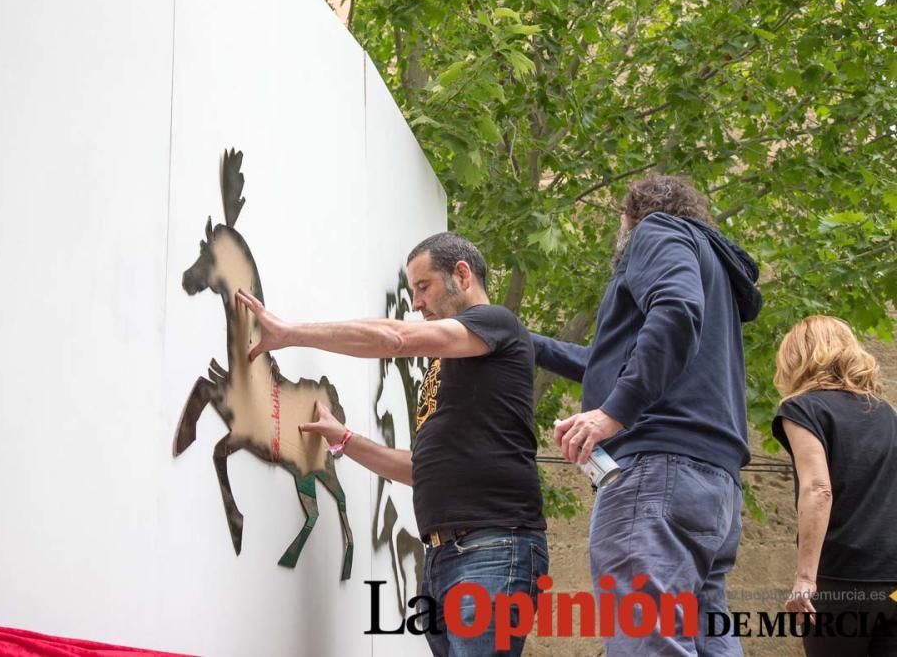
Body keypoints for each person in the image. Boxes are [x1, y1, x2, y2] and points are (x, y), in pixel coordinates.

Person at [236, 232, 547, 657]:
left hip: (492, 547)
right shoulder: (453, 368)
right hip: (442, 558)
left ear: (462, 274)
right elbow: (421, 471)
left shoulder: (497, 322)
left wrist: (289, 333)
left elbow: (393, 339)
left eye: (424, 287)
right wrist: (346, 441)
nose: (416, 303)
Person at [531, 175, 762, 656]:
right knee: (706, 639)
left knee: (649, 642)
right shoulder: (711, 265)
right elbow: (613, 359)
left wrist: (613, 414)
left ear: (630, 216)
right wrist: (523, 342)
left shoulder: (656, 232)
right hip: (713, 488)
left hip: (657, 474)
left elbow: (675, 313)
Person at [772, 315, 897, 657]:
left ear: (796, 357)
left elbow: (818, 490)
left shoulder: (801, 408)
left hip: (842, 584)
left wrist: (805, 578)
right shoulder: (888, 413)